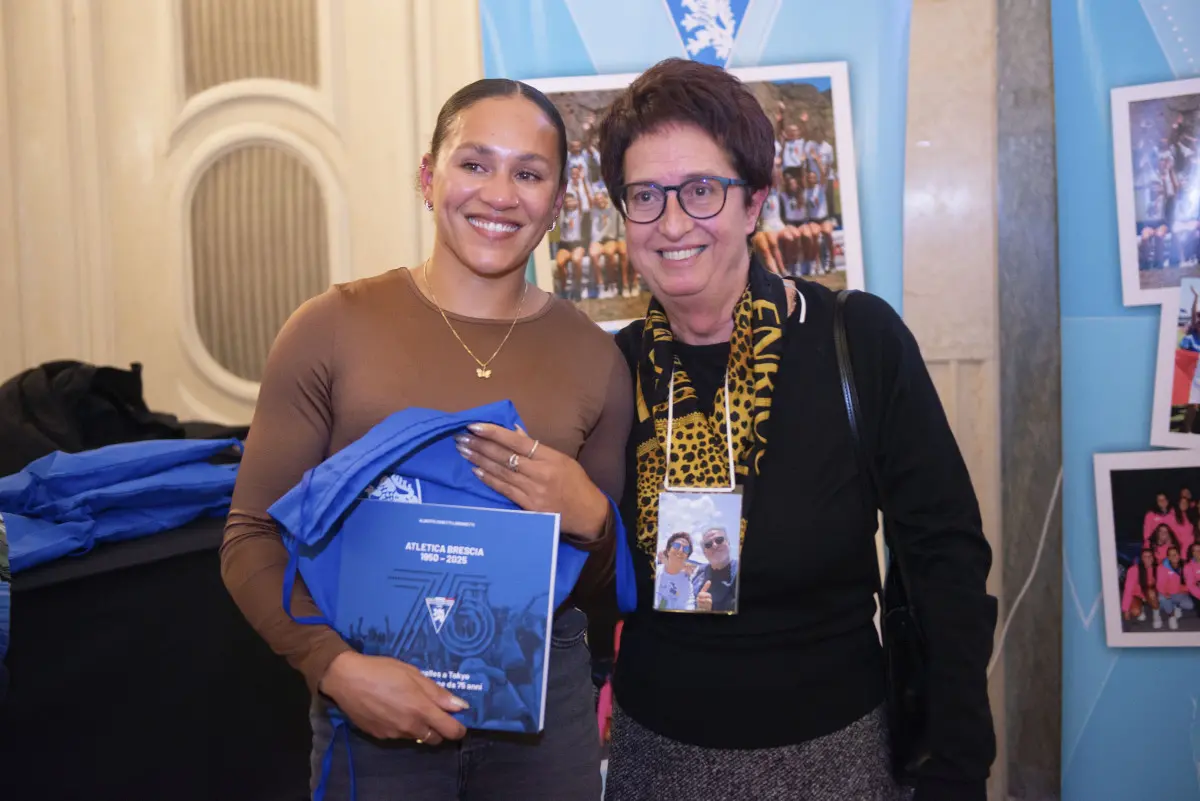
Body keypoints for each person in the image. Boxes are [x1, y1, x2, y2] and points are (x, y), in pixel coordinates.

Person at [466, 58, 997, 800]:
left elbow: (946, 556)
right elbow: (586, 594)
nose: (673, 222)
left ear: (755, 204)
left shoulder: (856, 341)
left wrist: (956, 764)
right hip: (657, 760)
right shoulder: (611, 370)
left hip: (837, 755)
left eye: (702, 190)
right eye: (645, 195)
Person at [219, 77, 633, 801]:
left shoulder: (596, 359)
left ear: (559, 201)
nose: (499, 194)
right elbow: (250, 535)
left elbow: (601, 591)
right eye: (475, 164)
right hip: (371, 711)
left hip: (543, 728)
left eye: (528, 173)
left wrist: (594, 521)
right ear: (427, 176)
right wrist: (335, 666)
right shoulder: (330, 327)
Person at [691, 525, 738, 613]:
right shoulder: (699, 571)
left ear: (728, 543)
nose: (715, 545)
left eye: (719, 540)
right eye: (708, 544)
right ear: (704, 552)